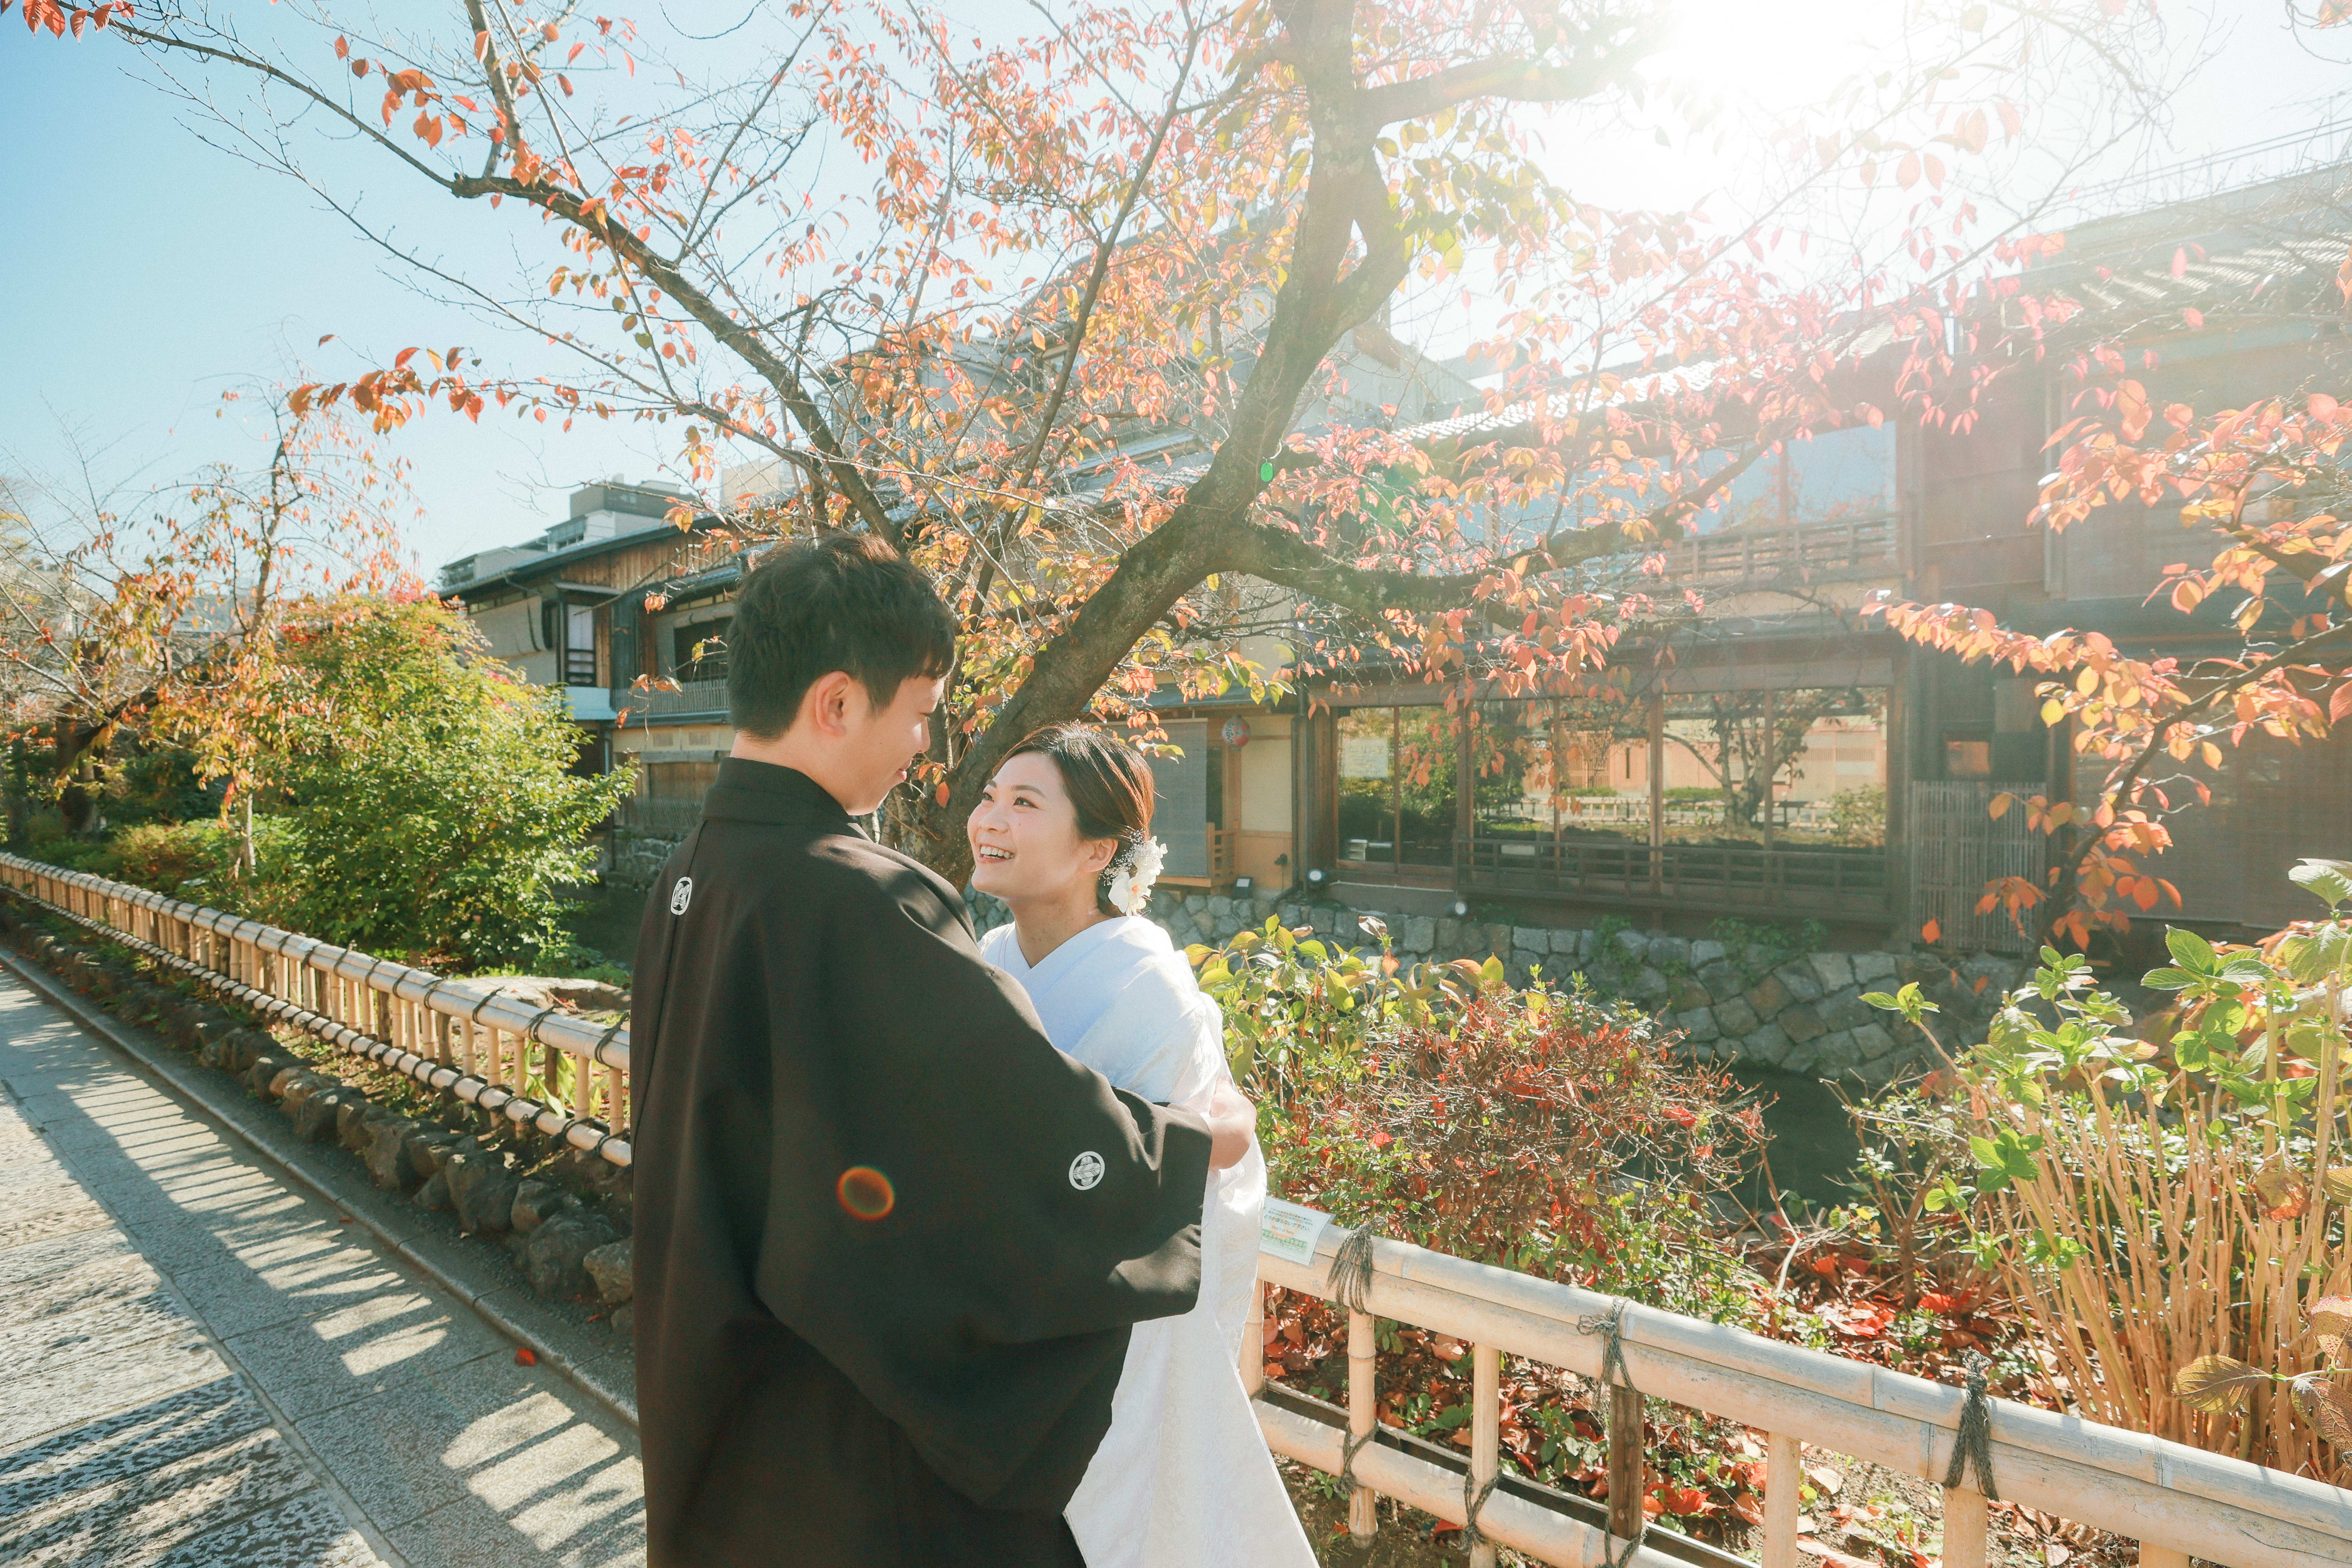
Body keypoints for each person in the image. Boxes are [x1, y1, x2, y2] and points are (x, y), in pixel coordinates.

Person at [628, 534, 1213, 1568]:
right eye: (918, 714)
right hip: (835, 1431)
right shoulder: (853, 893)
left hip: (714, 1368)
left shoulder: (692, 872)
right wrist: (1179, 1149)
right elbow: (1001, 1130)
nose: (923, 748)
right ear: (838, 703)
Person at [970, 722, 1318, 1568]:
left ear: (1097, 850)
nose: (990, 820)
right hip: (993, 1306)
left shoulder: (1145, 982)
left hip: (1103, 1319)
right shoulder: (985, 957)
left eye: (1025, 803)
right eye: (989, 797)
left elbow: (1155, 1168)